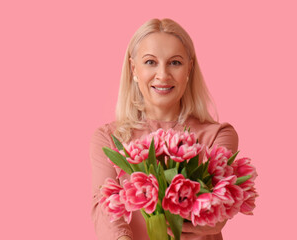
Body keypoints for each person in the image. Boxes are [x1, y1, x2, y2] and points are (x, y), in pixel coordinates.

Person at [90, 18, 239, 240]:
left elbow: (222, 201)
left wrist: (212, 220)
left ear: (189, 67)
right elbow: (104, 208)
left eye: (175, 63)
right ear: (134, 68)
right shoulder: (109, 138)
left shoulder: (218, 135)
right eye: (150, 62)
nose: (163, 75)